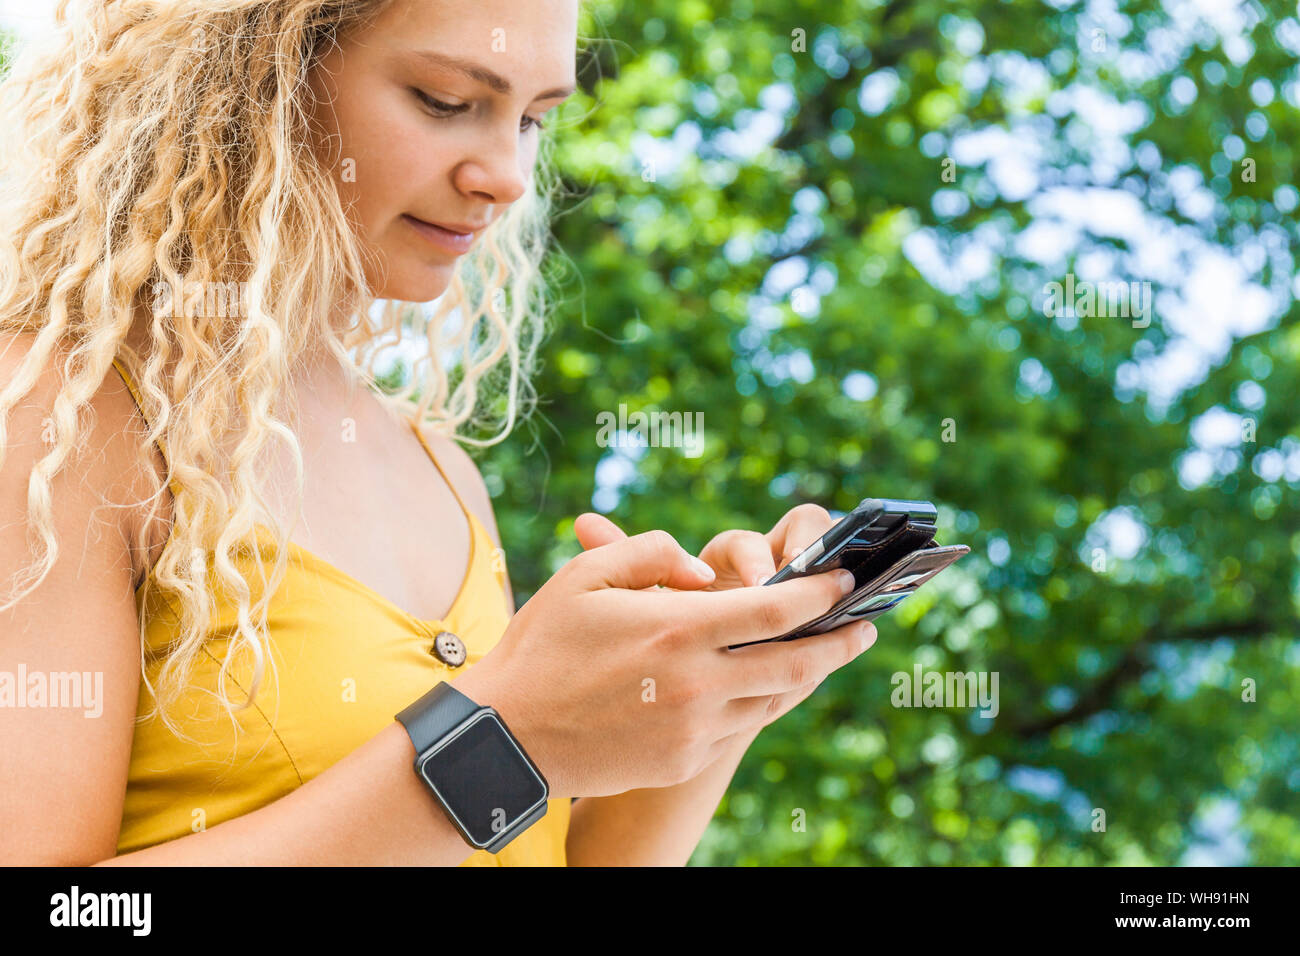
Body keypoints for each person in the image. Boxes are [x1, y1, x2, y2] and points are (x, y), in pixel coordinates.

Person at [0, 0, 875, 866]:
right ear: (251, 74)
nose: (508, 174)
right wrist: (504, 739)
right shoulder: (57, 413)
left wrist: (729, 677)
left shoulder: (443, 471)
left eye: (533, 120)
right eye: (447, 101)